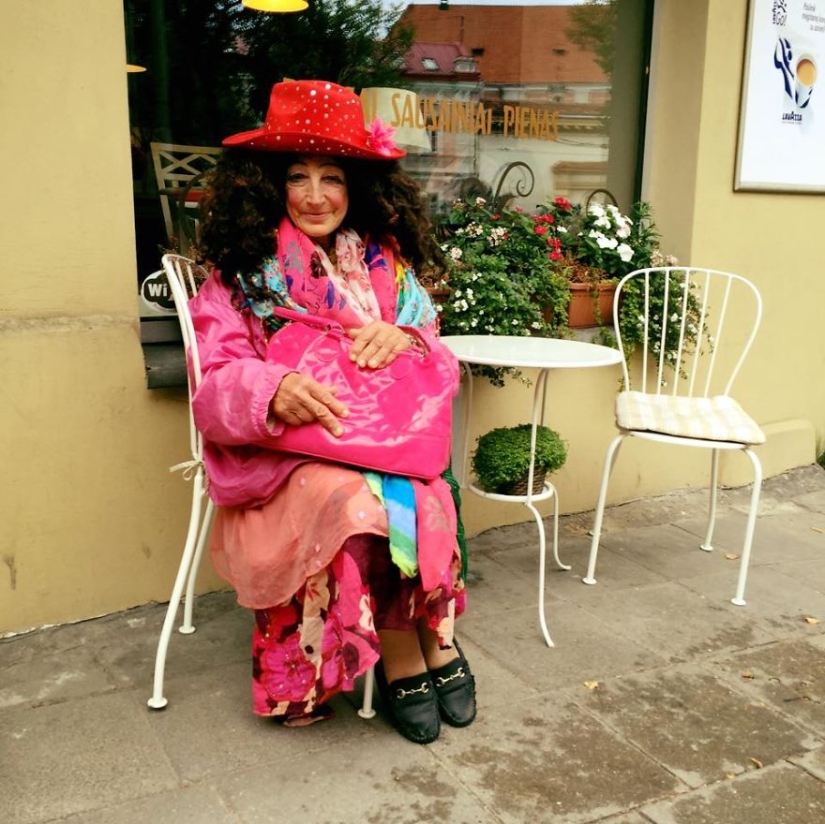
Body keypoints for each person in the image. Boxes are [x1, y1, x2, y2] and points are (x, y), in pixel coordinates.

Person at [188, 80, 476, 744]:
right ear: (269, 185)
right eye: (298, 176)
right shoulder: (241, 274)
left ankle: (433, 641)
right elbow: (215, 385)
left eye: (332, 177)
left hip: (381, 440)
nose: (315, 195)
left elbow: (433, 349)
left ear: (357, 188)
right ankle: (407, 655)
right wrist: (271, 389)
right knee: (359, 503)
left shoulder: (385, 265)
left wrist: (404, 336)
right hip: (286, 453)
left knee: (418, 490)